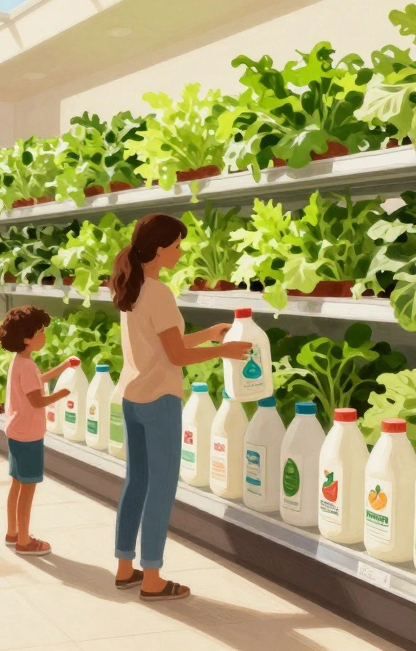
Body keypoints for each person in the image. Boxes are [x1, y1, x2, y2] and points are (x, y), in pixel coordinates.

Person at [108, 213, 251, 602]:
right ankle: (152, 578)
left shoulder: (131, 287)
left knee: (136, 482)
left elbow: (162, 341)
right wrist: (225, 350)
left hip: (132, 395)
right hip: (159, 400)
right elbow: (176, 355)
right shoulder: (159, 292)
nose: (180, 251)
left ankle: (125, 568)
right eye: (176, 245)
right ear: (158, 249)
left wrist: (208, 333)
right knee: (161, 488)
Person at [0, 306, 77, 556]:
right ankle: (24, 540)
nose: (44, 336)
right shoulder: (27, 366)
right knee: (28, 488)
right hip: (29, 435)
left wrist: (63, 366)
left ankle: (12, 532)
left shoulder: (20, 362)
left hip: (16, 430)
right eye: (40, 332)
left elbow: (37, 381)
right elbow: (37, 401)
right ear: (26, 339)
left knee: (17, 484)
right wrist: (61, 394)